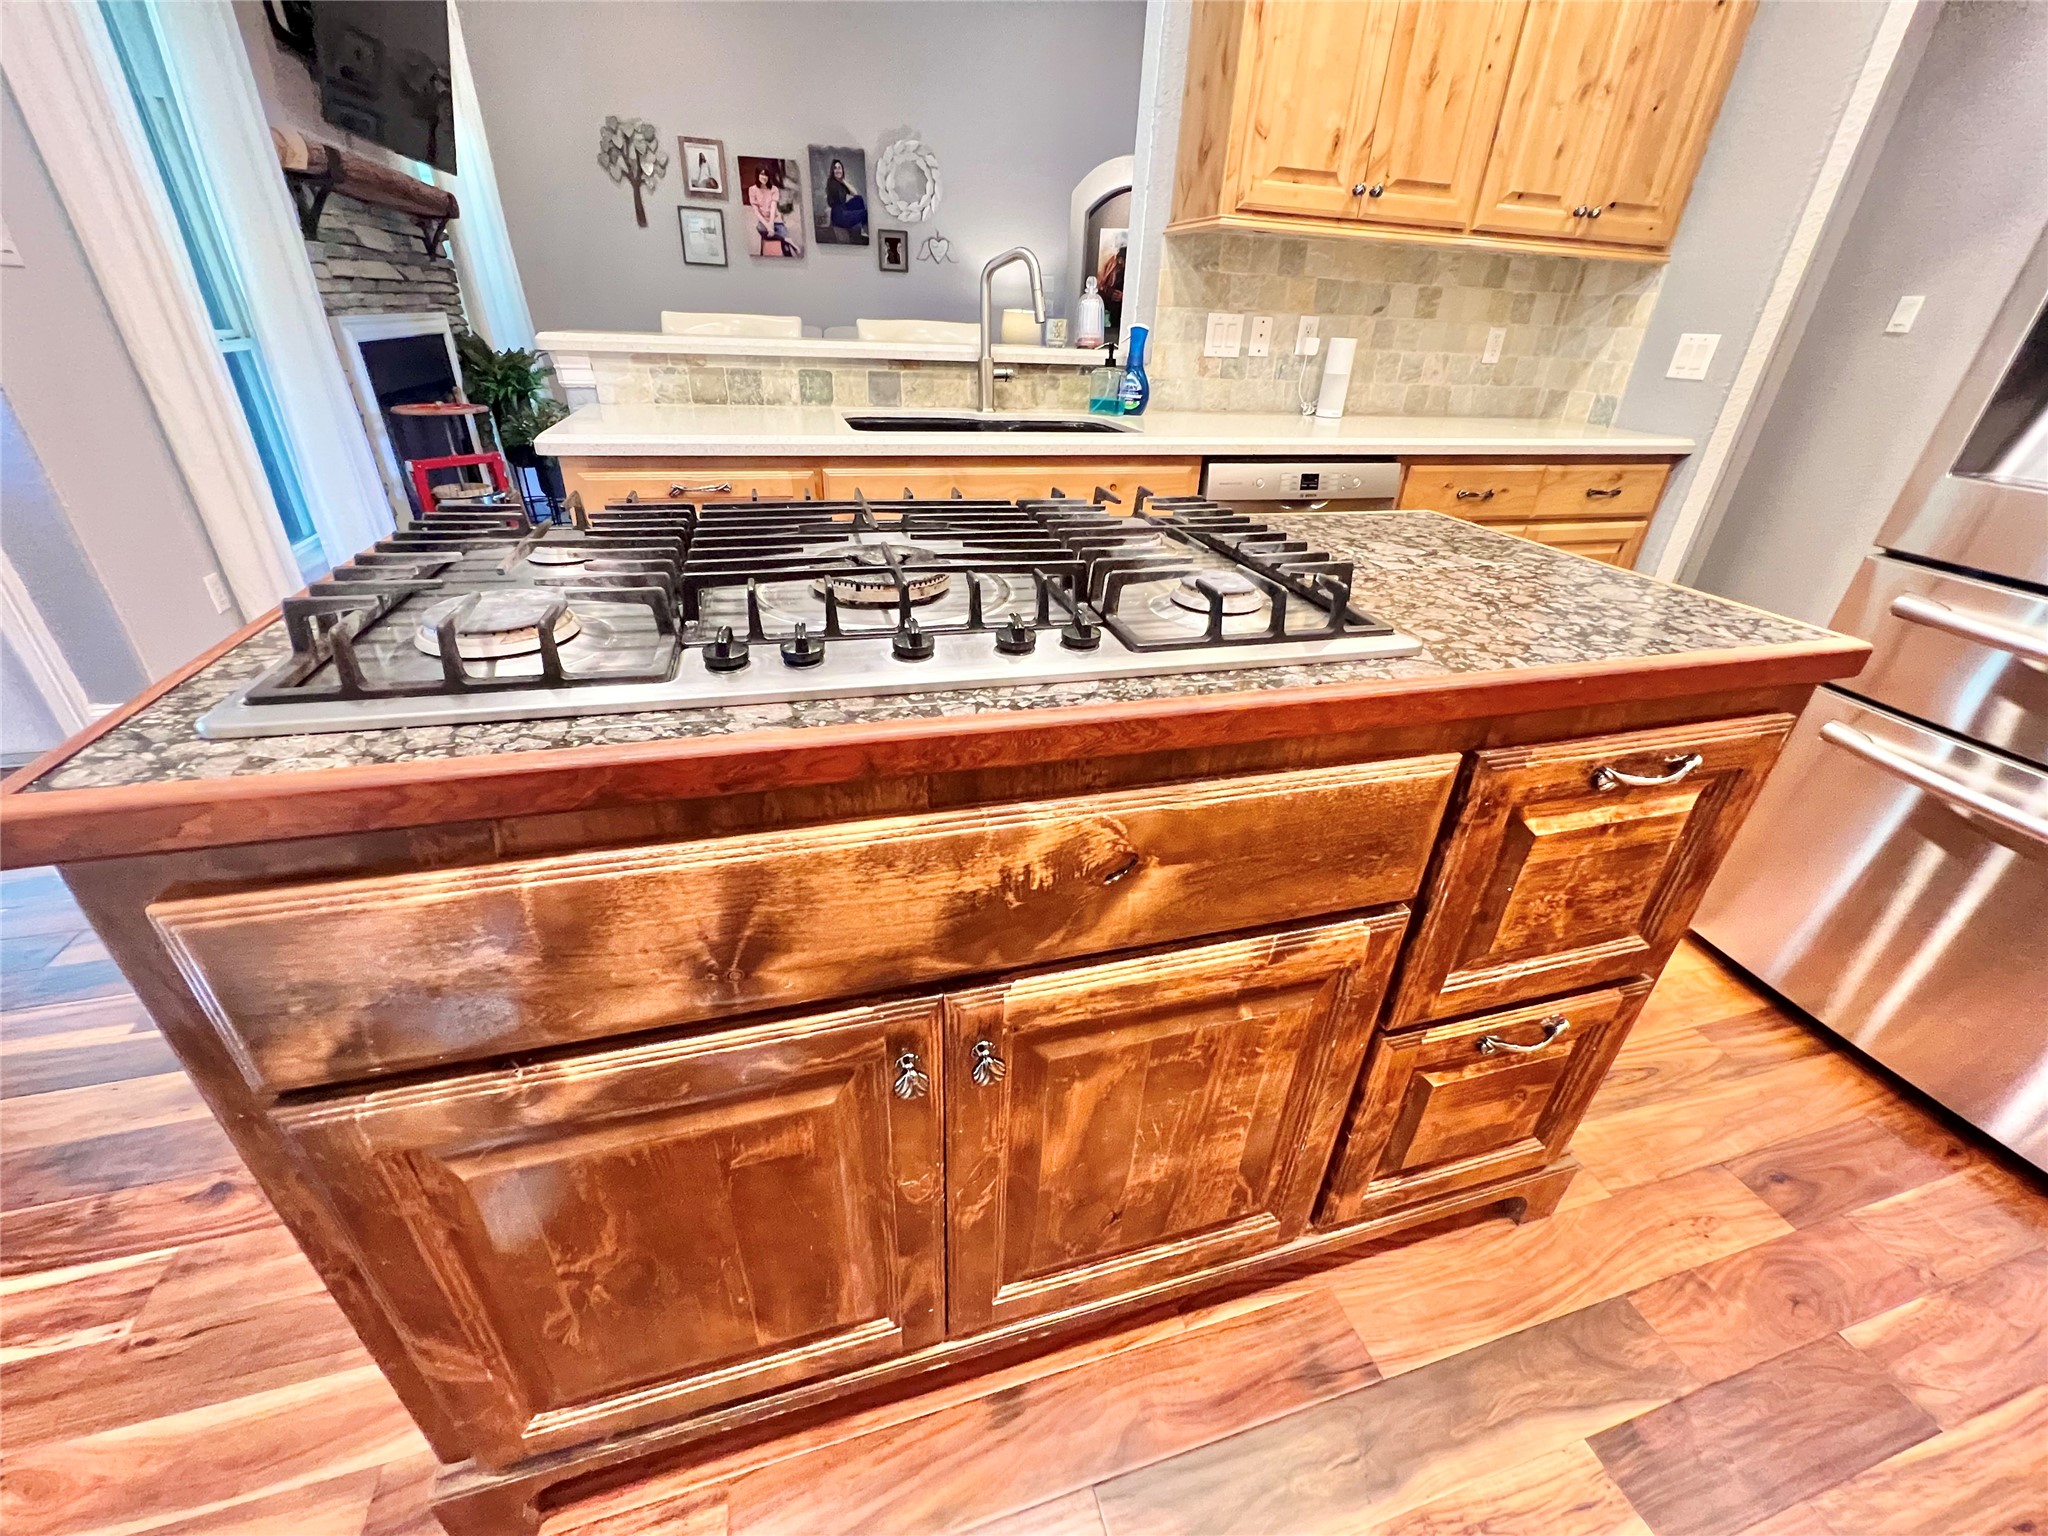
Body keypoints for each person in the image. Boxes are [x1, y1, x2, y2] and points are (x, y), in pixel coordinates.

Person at [747, 163, 800, 257]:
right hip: (763, 223)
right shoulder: (752, 190)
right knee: (760, 228)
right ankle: (788, 240)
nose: (764, 177)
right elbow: (756, 211)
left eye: (766, 175)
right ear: (757, 175)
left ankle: (789, 252)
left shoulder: (774, 189)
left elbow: (773, 207)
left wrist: (771, 224)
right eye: (762, 174)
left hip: (775, 220)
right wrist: (767, 226)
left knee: (784, 237)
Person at [823, 157, 866, 243]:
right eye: (835, 168)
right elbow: (832, 202)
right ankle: (863, 229)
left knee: (859, 199)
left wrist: (843, 180)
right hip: (838, 216)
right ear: (832, 171)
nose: (838, 170)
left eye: (839, 168)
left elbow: (855, 193)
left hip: (843, 209)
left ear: (842, 169)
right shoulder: (831, 183)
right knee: (864, 213)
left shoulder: (840, 183)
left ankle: (862, 229)